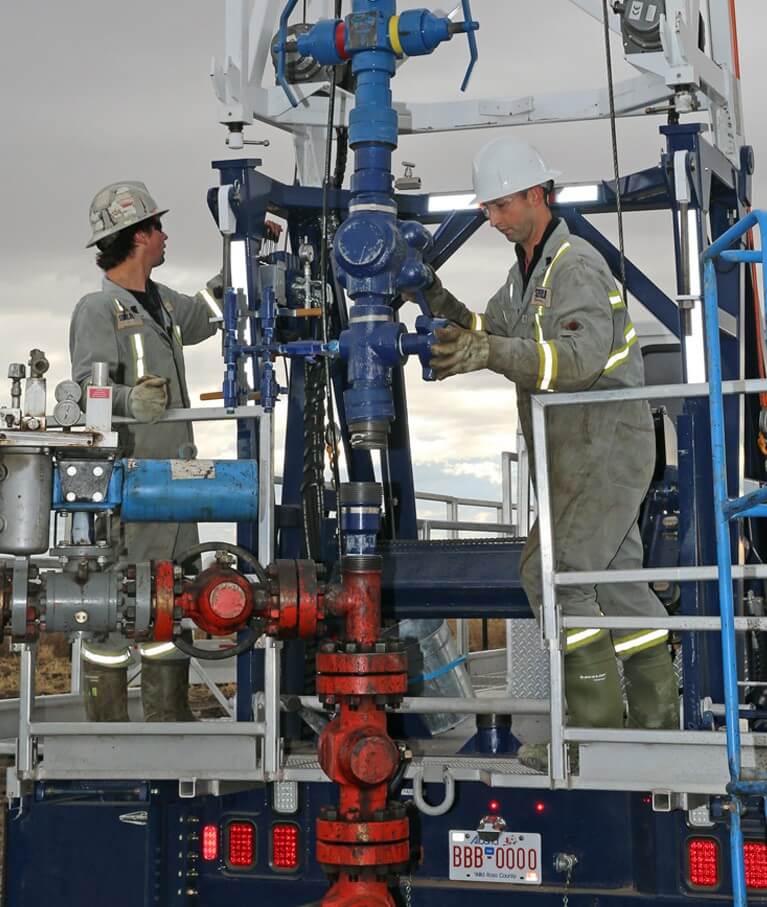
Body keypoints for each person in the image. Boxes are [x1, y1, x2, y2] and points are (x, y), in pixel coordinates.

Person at [417, 136, 679, 771]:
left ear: (539, 195)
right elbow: (496, 333)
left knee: (551, 574)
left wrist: (491, 355)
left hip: (605, 444)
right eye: (487, 209)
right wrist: (439, 304)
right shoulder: (525, 275)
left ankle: (588, 740)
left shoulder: (576, 267)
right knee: (618, 589)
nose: (493, 218)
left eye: (502, 205)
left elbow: (579, 360)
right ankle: (657, 723)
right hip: (573, 450)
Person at [70, 180, 225, 722]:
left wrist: (244, 249)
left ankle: (168, 722)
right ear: (138, 236)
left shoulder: (161, 303)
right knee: (118, 606)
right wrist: (130, 399)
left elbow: (208, 312)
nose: (164, 235)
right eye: (157, 226)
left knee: (172, 602)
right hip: (131, 483)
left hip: (178, 480)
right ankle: (106, 731)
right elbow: (85, 395)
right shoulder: (99, 309)